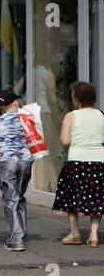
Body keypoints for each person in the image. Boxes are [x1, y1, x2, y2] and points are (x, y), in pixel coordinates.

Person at [52, 80, 104, 247]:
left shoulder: (71, 116)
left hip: (77, 161)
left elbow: (65, 140)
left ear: (77, 98)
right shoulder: (101, 114)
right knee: (97, 198)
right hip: (98, 161)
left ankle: (75, 233)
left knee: (71, 197)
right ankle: (94, 234)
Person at [0, 87, 33, 251]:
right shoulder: (27, 119)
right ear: (15, 102)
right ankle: (21, 232)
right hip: (26, 161)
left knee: (11, 199)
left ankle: (17, 239)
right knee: (19, 196)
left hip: (7, 162)